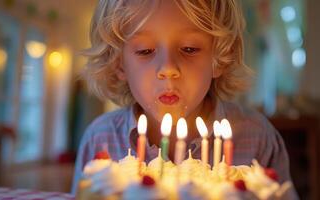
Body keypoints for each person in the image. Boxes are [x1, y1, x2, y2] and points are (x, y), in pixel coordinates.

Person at [71, 0, 298, 198]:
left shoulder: (257, 137)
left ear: (218, 57)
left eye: (189, 48)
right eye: (145, 51)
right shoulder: (100, 138)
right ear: (119, 63)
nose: (168, 69)